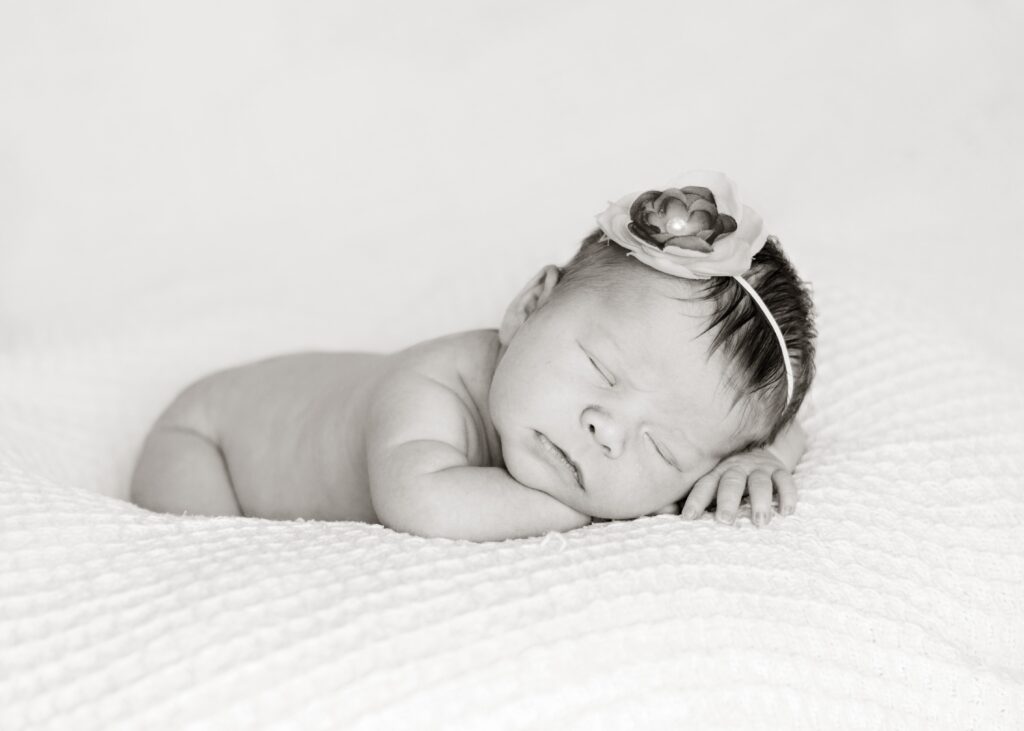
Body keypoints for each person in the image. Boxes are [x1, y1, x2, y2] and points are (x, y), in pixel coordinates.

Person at [130, 171, 817, 541]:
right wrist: (602, 510)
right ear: (529, 307)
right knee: (204, 551)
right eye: (601, 369)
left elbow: (779, 429)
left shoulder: (661, 417)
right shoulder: (431, 387)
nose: (607, 429)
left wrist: (760, 459)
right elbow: (422, 502)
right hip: (209, 437)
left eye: (662, 449)